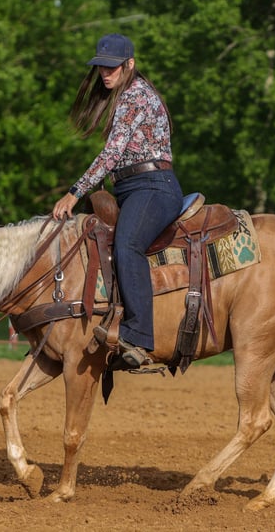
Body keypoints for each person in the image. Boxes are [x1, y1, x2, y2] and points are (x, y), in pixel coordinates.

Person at [52, 33, 183, 368]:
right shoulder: (124, 95)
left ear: (130, 65)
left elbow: (111, 154)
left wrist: (75, 192)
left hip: (153, 187)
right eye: (101, 67)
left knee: (127, 245)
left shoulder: (136, 96)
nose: (105, 73)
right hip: (132, 188)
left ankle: (138, 337)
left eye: (112, 67)